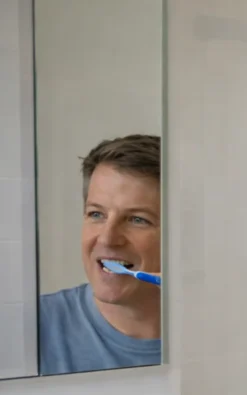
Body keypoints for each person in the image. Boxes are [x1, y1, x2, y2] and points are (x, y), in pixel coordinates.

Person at [38, 134, 162, 375]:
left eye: (137, 219)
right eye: (96, 214)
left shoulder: (225, 337)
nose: (107, 238)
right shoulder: (24, 329)